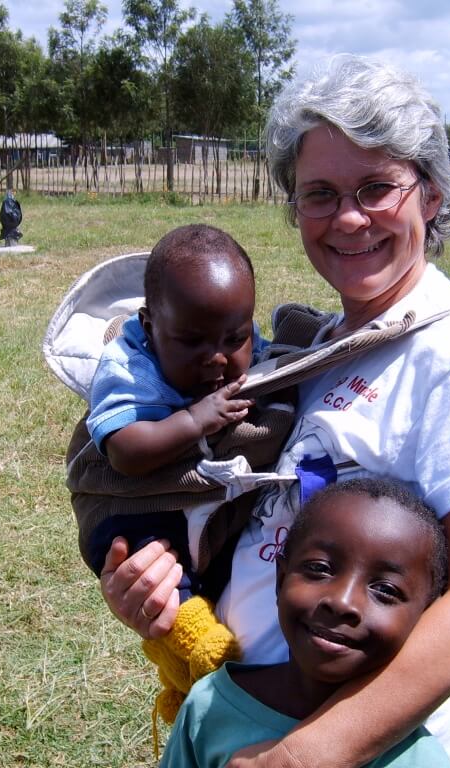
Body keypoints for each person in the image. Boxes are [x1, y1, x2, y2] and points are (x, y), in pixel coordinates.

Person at [96, 54, 450, 768]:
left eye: (377, 188)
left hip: (356, 747)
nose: (349, 218)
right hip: (243, 712)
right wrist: (156, 591)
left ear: (429, 194)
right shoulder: (322, 346)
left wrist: (302, 757)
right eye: (320, 194)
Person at [86, 223, 272, 720]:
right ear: (149, 326)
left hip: (200, 506)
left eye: (236, 337)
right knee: (153, 559)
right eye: (191, 340)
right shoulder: (127, 366)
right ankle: (191, 650)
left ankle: (182, 685)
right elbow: (123, 451)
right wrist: (194, 419)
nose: (217, 357)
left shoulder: (236, 344)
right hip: (135, 507)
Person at [159, 477, 450, 768]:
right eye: (319, 569)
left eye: (385, 590)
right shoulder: (212, 705)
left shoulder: (420, 759)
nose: (342, 602)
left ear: (425, 617)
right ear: (281, 578)